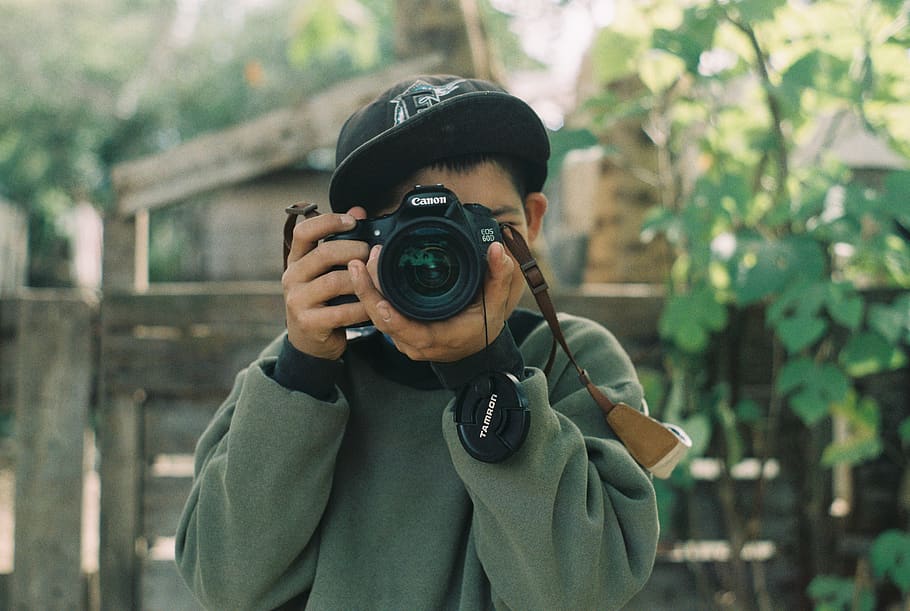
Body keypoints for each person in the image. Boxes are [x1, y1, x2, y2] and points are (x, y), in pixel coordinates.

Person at [175, 74, 659, 610]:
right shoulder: (303, 373)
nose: (448, 260)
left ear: (533, 220)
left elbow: (577, 592)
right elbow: (224, 582)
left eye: (483, 227)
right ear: (357, 239)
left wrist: (485, 374)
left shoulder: (573, 359)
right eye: (419, 232)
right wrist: (305, 368)